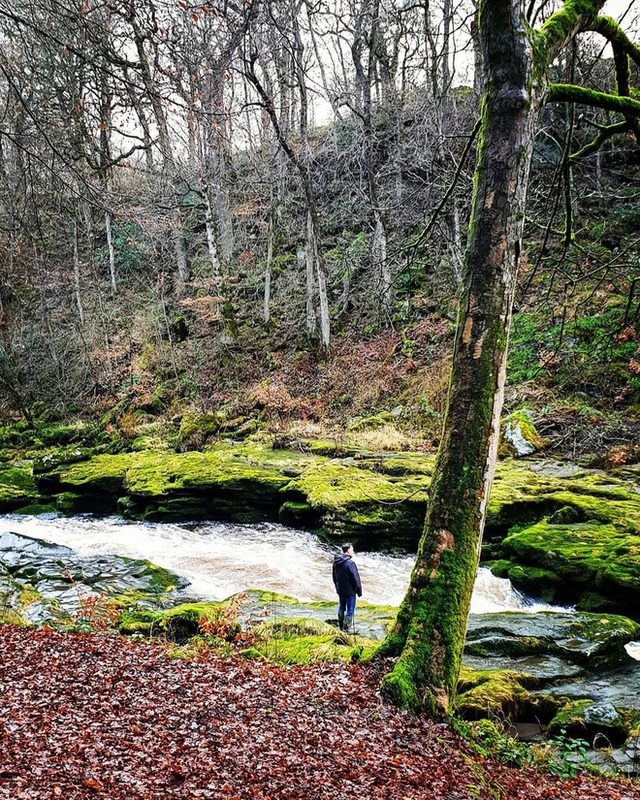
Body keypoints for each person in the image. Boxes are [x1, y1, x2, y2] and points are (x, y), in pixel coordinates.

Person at [332, 543, 362, 634]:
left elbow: (334, 576)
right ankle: (347, 629)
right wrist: (359, 590)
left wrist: (337, 587)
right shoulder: (350, 563)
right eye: (352, 550)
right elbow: (355, 578)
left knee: (341, 607)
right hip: (350, 591)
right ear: (348, 551)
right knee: (350, 609)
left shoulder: (336, 562)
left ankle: (341, 627)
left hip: (340, 589)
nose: (353, 552)